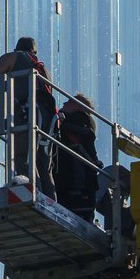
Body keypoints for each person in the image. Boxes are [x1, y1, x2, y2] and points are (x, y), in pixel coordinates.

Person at [0, 36, 58, 195]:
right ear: (34, 52)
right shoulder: (43, 69)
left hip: (30, 115)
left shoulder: (12, 57)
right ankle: (50, 201)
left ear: (16, 49)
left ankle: (32, 195)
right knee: (43, 164)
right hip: (48, 119)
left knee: (23, 157)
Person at [54, 94, 103, 224]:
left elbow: (78, 136)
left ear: (79, 106)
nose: (64, 104)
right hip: (80, 184)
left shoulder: (80, 119)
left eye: (69, 101)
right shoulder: (81, 123)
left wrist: (61, 122)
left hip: (75, 183)